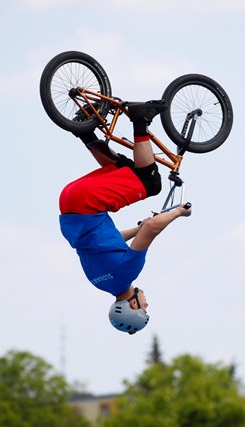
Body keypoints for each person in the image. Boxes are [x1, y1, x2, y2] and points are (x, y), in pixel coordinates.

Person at [59, 100, 192, 335]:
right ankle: (86, 131)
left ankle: (140, 119)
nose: (147, 303)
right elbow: (108, 241)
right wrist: (136, 229)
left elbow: (151, 227)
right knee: (127, 170)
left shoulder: (129, 272)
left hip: (88, 202)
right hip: (69, 202)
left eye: (145, 308)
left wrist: (179, 212)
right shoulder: (99, 281)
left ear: (133, 305)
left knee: (149, 183)